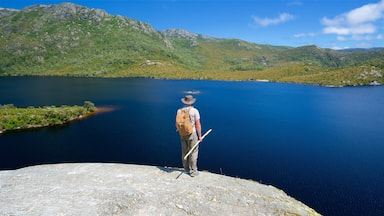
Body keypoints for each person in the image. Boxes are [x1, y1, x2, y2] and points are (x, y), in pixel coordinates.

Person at [176, 95, 202, 177]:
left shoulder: (179, 111)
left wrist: (180, 130)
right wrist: (200, 136)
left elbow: (177, 124)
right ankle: (194, 171)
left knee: (185, 151)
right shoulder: (194, 111)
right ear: (192, 102)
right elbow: (198, 125)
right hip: (192, 134)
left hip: (182, 134)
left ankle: (186, 169)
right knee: (193, 152)